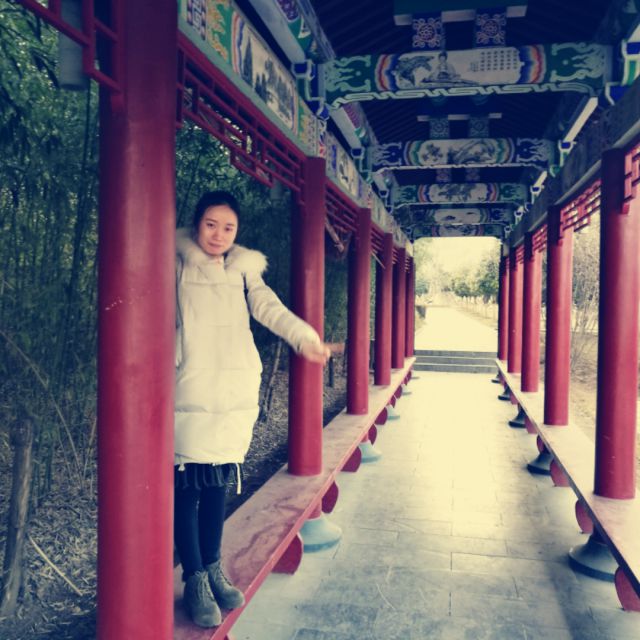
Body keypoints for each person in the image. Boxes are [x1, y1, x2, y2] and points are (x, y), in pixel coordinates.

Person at [174, 190, 330, 628]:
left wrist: (304, 338)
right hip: (190, 387)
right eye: (211, 224)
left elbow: (270, 309)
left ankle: (213, 568)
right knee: (187, 489)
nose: (219, 234)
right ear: (196, 223)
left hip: (232, 390)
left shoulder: (244, 271)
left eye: (228, 227)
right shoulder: (175, 263)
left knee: (217, 486)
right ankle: (194, 579)